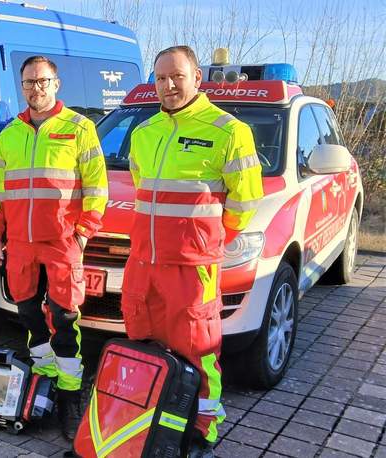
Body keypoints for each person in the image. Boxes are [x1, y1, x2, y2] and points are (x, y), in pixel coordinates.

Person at [123, 45, 263, 457]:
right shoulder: (144, 132)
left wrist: (205, 240)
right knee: (143, 343)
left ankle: (203, 428)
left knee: (198, 349)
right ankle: (151, 418)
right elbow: (141, 189)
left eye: (177, 76)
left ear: (197, 77)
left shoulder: (229, 130)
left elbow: (246, 199)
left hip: (191, 266)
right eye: (161, 77)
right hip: (143, 263)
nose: (168, 85)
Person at [0, 56, 108, 440]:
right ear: (21, 87)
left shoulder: (79, 128)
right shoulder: (10, 134)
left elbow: (97, 188)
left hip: (61, 243)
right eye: (28, 83)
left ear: (56, 83)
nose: (34, 88)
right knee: (28, 315)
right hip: (19, 243)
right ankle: (44, 379)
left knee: (65, 319)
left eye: (41, 81)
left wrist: (83, 233)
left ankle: (70, 394)